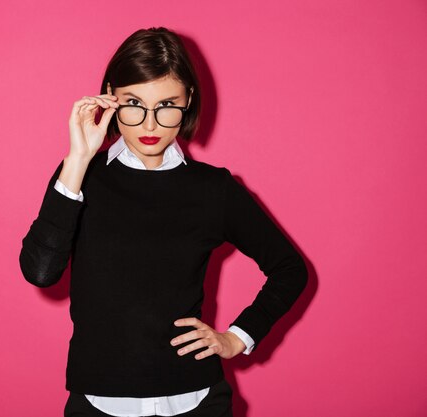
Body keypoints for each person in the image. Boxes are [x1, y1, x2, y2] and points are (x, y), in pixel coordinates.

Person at [19, 27, 308, 417]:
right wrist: (77, 159)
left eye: (167, 104)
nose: (150, 124)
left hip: (198, 400)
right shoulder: (82, 176)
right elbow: (40, 272)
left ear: (188, 99)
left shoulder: (213, 189)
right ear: (110, 97)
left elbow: (289, 269)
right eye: (134, 102)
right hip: (99, 403)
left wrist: (237, 338)